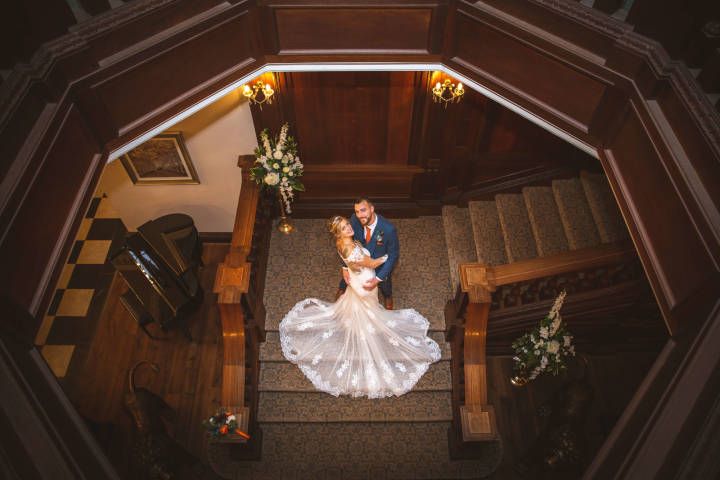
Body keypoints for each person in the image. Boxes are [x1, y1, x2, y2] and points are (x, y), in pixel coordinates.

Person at [278, 216, 441, 398]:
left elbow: (348, 260)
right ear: (338, 233)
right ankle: (365, 324)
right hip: (365, 282)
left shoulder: (341, 242)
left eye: (347, 224)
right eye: (344, 227)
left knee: (357, 304)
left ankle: (358, 319)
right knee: (367, 307)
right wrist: (388, 255)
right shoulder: (349, 247)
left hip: (356, 280)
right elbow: (371, 263)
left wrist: (345, 268)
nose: (349, 228)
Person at [337, 198, 398, 310]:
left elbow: (393, 256)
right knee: (351, 278)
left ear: (372, 209)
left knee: (385, 283)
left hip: (378, 265)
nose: (360, 215)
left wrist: (378, 278)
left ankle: (387, 296)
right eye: (357, 211)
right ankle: (342, 288)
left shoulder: (388, 229)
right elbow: (347, 242)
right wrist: (345, 267)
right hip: (358, 261)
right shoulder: (355, 219)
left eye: (363, 210)